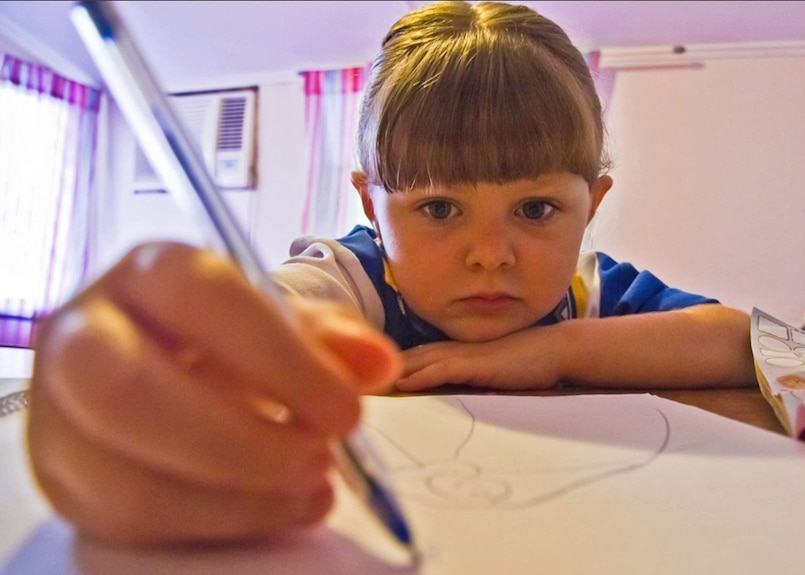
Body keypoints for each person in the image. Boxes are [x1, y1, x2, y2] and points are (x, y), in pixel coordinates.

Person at [26, 0, 756, 547]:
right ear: (371, 208)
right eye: (439, 208)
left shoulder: (583, 291)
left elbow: (735, 340)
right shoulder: (353, 277)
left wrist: (551, 350)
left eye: (535, 208)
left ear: (590, 205)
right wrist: (161, 354)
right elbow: (275, 313)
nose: (489, 253)